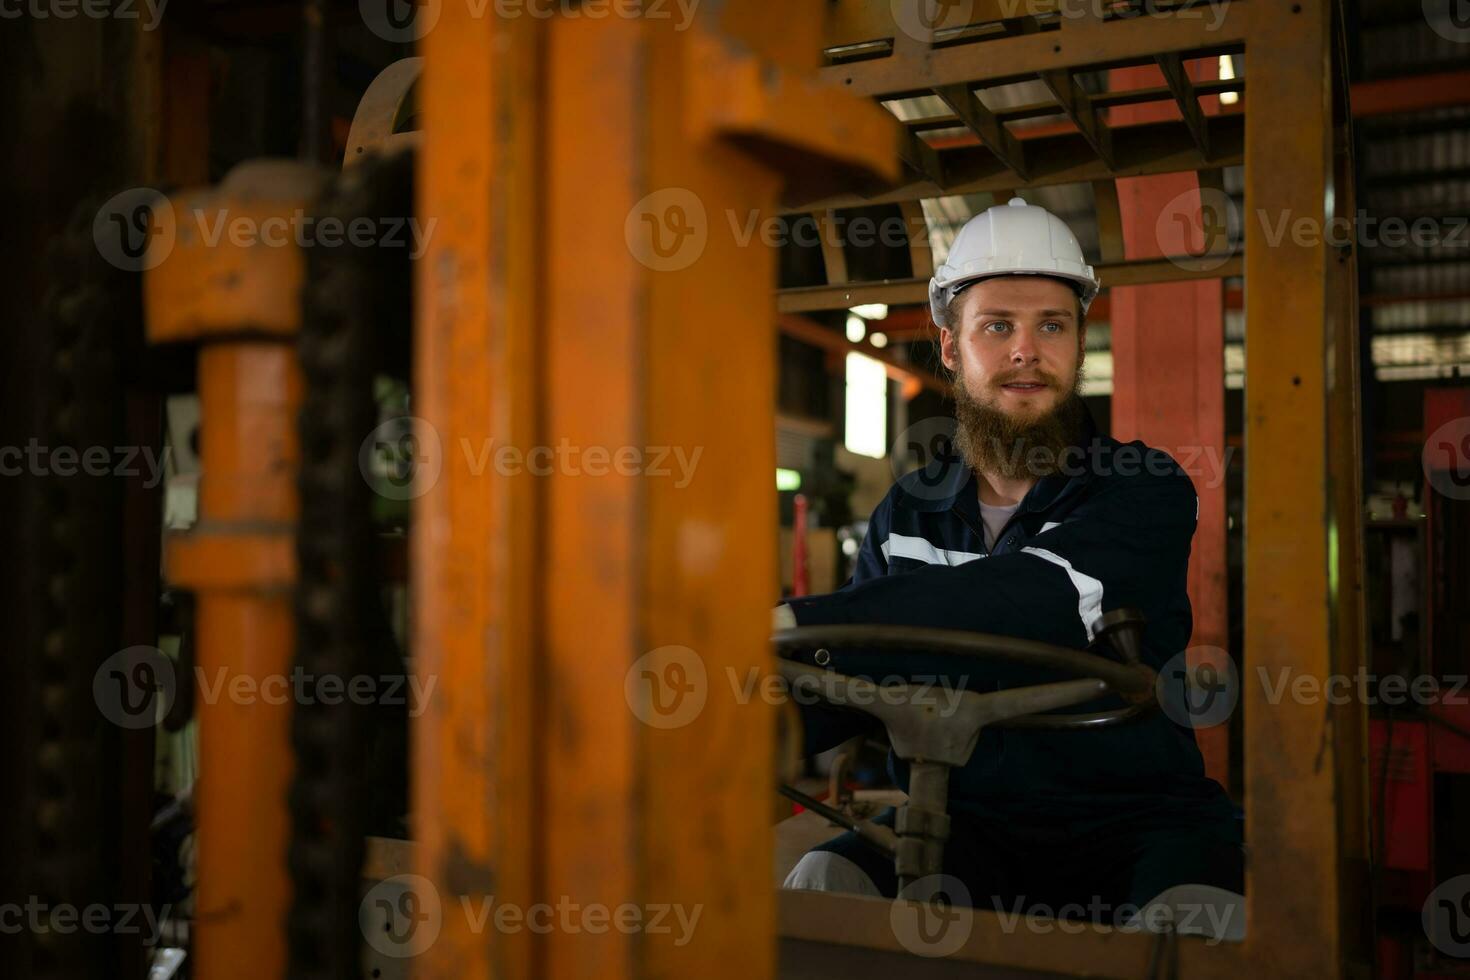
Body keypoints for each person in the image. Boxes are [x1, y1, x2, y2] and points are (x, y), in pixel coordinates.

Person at [777, 198, 1243, 936]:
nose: (1026, 350)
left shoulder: (1141, 488)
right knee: (818, 882)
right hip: (965, 827)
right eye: (998, 326)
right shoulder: (907, 514)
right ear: (952, 349)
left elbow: (1039, 597)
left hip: (1133, 827)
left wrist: (792, 622)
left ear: (1077, 342)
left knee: (1206, 927)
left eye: (1050, 325)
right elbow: (856, 678)